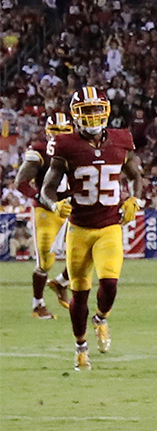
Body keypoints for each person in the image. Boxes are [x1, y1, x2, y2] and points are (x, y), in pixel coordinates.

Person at [40, 87, 145, 371]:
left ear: (106, 111)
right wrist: (53, 205)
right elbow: (47, 188)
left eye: (96, 110)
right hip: (79, 228)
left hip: (109, 226)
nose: (93, 116)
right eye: (86, 111)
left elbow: (136, 176)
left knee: (109, 284)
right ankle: (80, 348)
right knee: (80, 293)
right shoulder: (66, 145)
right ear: (76, 115)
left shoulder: (121, 140)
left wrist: (135, 198)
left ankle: (100, 319)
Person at [14, 112, 74, 319]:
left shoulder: (79, 149)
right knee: (46, 261)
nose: (59, 136)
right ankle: (37, 304)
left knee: (85, 250)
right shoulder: (39, 151)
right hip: (47, 211)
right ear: (48, 132)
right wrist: (41, 197)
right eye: (55, 131)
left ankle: (61, 282)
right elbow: (20, 183)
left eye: (64, 131)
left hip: (71, 209)